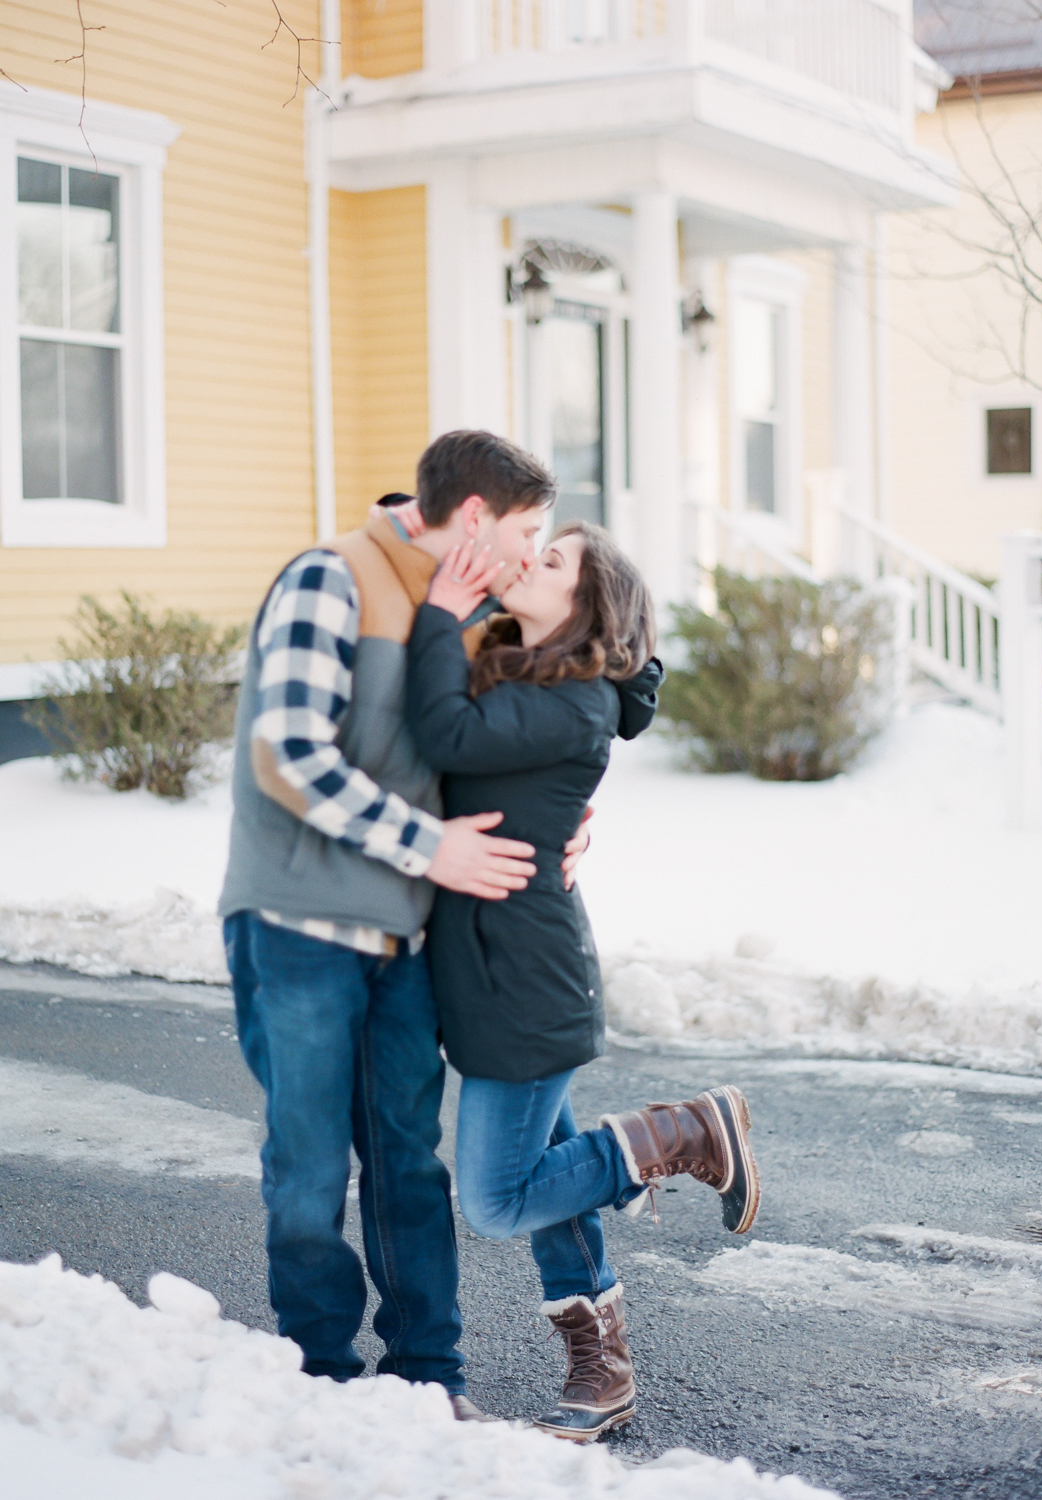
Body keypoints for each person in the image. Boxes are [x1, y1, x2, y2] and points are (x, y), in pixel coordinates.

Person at [218, 431, 593, 1417]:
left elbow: (545, 708)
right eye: (526, 531)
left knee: (405, 1166)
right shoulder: (328, 579)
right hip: (298, 924)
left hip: (407, 937)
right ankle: (322, 1379)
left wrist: (560, 810)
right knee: (306, 1168)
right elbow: (288, 756)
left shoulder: (468, 613)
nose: (529, 553)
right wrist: (431, 848)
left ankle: (427, 1379)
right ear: (474, 518)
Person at [404, 521, 761, 1443]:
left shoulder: (569, 699)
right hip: (492, 972)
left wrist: (442, 615)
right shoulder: (528, 675)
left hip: (523, 984)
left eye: (552, 560)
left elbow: (440, 729)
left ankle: (683, 1133)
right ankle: (599, 1372)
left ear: (584, 607)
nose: (530, 560)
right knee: (547, 1184)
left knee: (498, 1199)